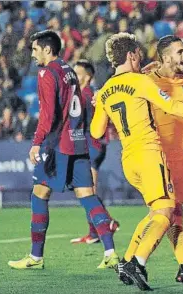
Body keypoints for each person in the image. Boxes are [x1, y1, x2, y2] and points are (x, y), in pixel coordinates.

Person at [90, 32, 183, 290]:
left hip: (128, 159)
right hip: (150, 154)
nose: (142, 61)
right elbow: (177, 107)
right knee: (165, 212)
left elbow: (96, 132)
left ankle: (135, 262)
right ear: (131, 56)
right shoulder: (142, 82)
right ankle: (136, 262)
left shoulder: (106, 89)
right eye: (139, 56)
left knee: (160, 211)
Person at [8, 30, 119, 270]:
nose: (33, 54)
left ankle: (35, 257)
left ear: (48, 49)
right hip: (78, 142)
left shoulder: (47, 72)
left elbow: (48, 115)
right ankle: (110, 252)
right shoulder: (69, 70)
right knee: (87, 195)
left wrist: (37, 142)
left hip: (57, 144)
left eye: (36, 49)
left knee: (39, 195)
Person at [70, 59, 120, 245]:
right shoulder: (86, 94)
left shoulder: (85, 95)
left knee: (86, 191)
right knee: (85, 191)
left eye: (77, 73)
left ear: (87, 76)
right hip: (92, 146)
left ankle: (106, 225)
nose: (73, 76)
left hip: (92, 146)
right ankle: (95, 232)